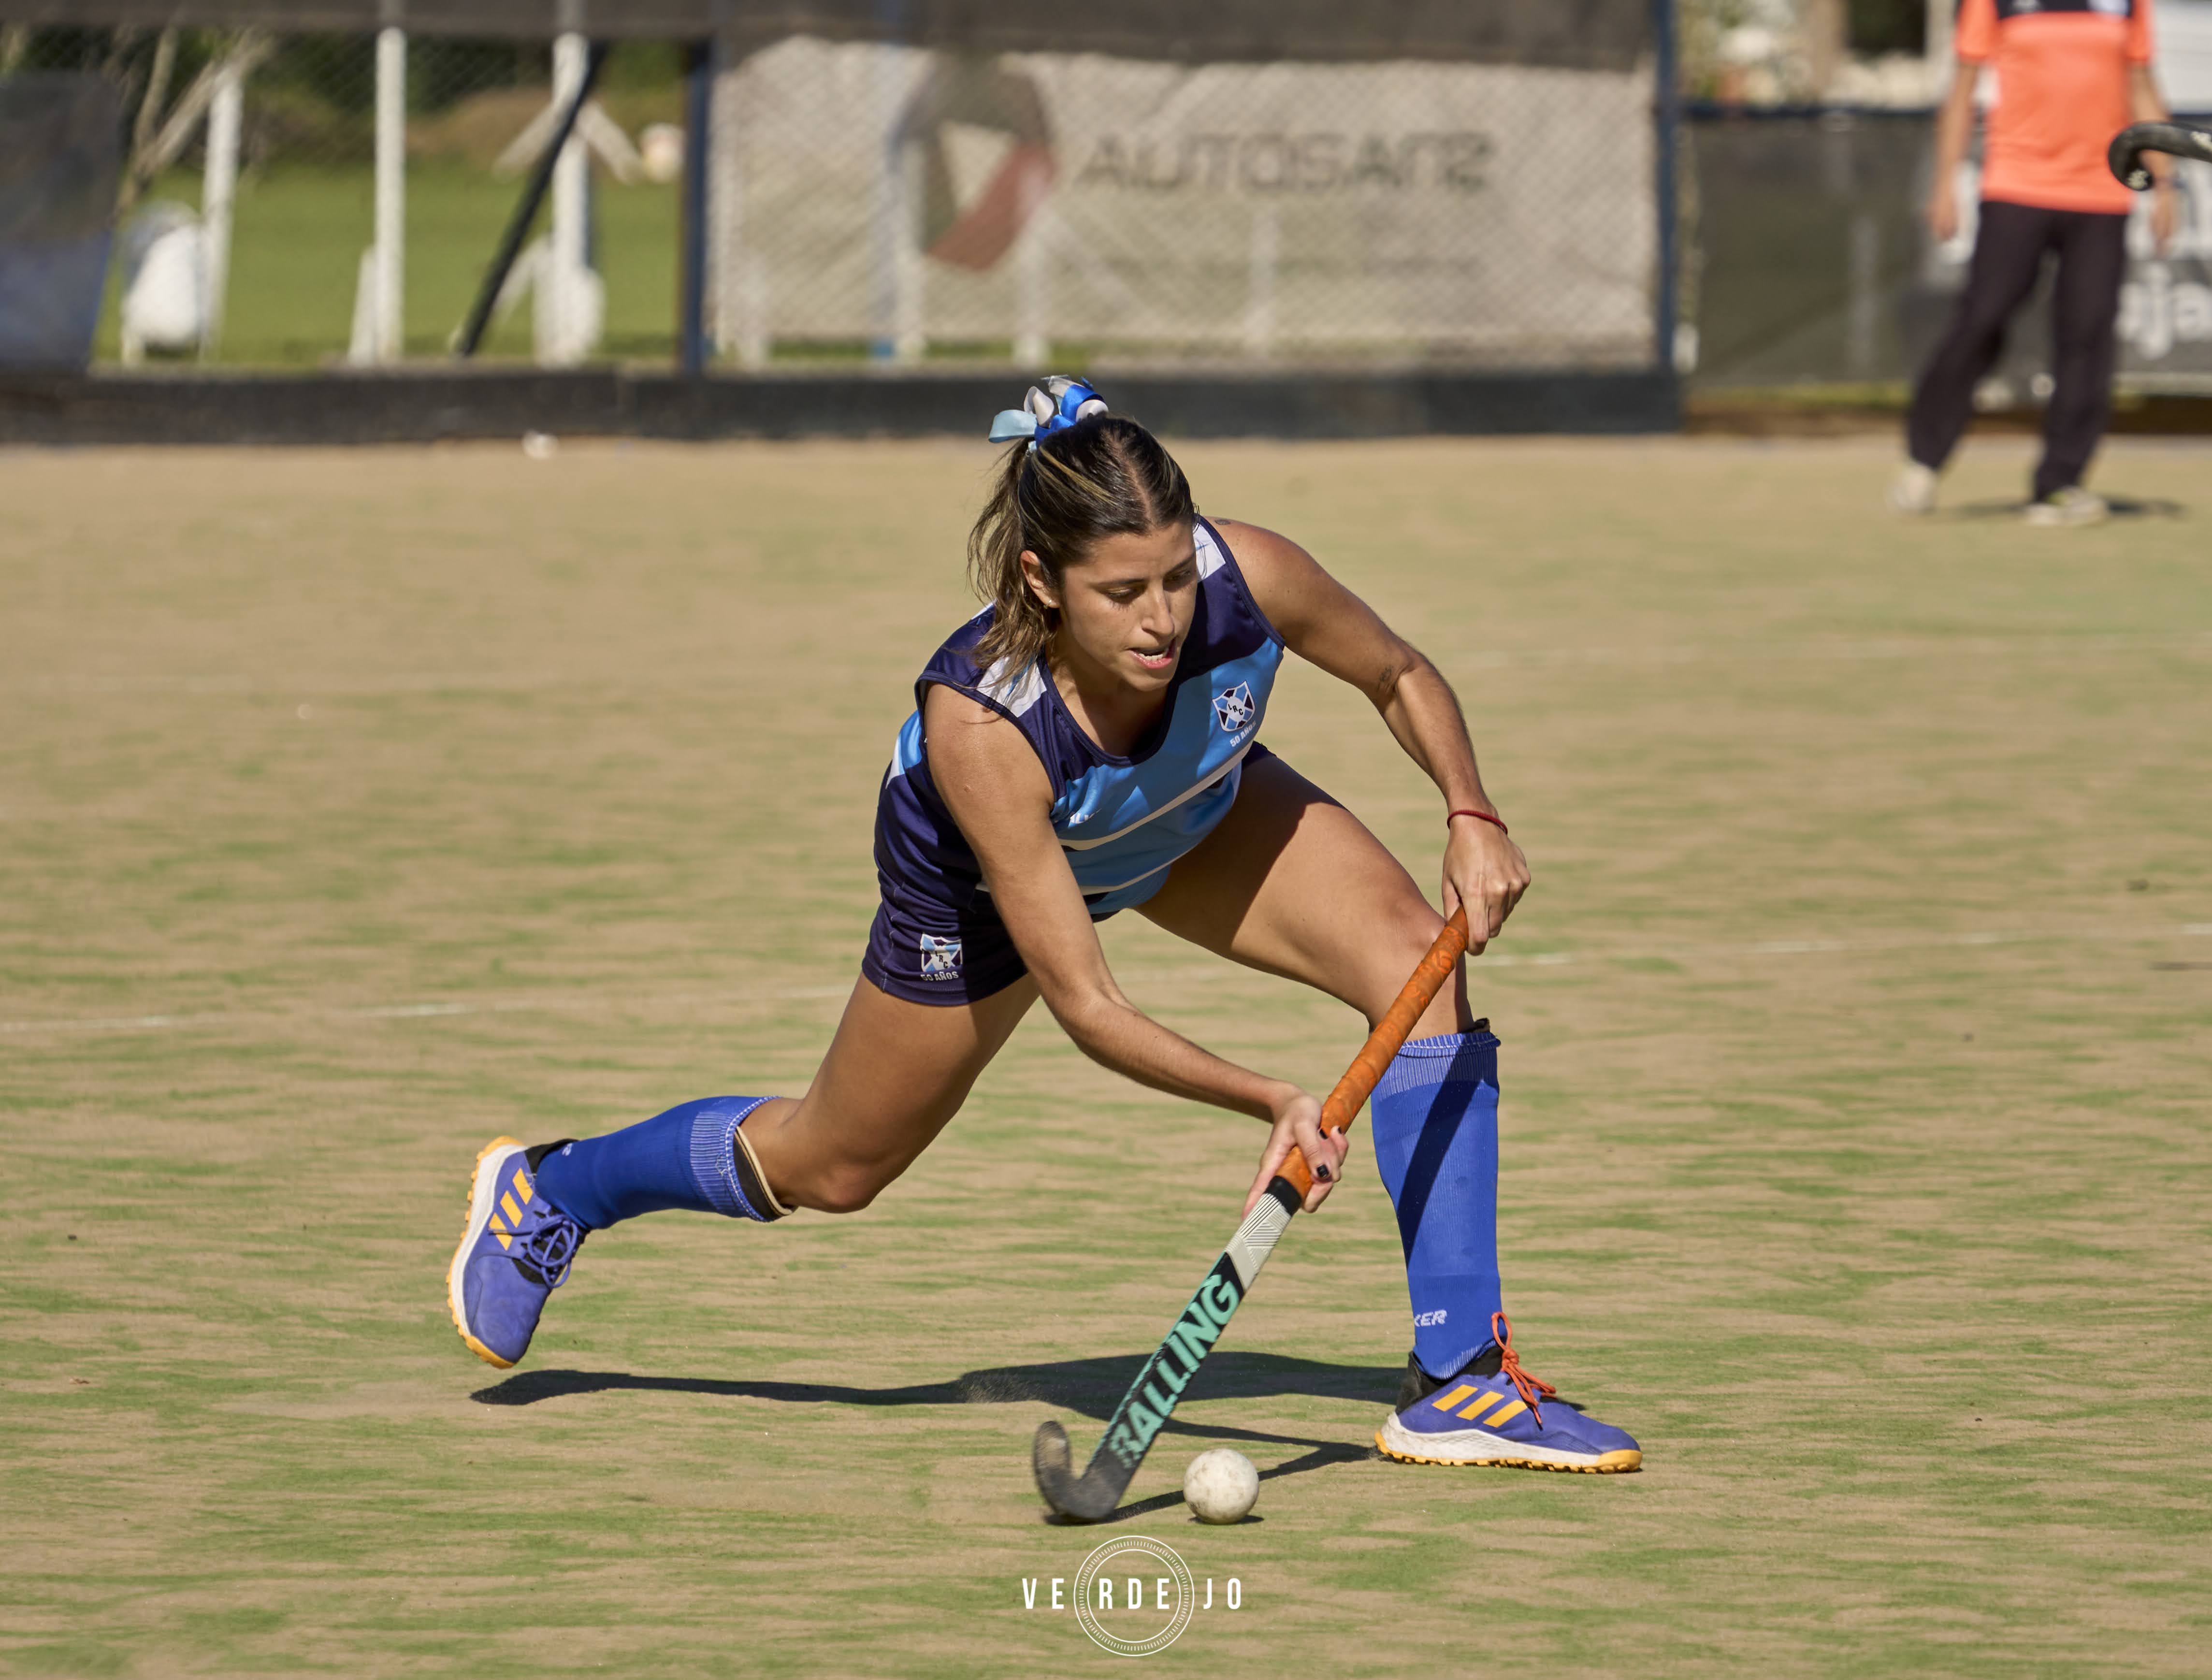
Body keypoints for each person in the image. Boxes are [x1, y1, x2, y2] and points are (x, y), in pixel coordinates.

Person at [445, 378, 1641, 1475]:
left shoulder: (1249, 575)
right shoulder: (981, 723)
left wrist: (1469, 810)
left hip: (1190, 812)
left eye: (1173, 575)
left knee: (1414, 975)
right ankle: (558, 1187)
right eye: (1122, 592)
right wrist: (1268, 1095)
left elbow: (1396, 671)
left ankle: (1459, 1379)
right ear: (1038, 580)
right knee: (834, 1164)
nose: (1163, 616)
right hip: (987, 890)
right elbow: (1090, 1007)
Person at [1891, 0, 2179, 526]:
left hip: (2102, 194)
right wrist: (1943, 184)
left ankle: (2059, 484)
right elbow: (1961, 89)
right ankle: (1923, 458)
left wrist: (2165, 183)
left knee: (2087, 335)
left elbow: (2141, 85)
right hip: (2016, 186)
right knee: (1982, 318)